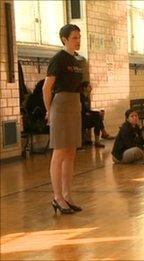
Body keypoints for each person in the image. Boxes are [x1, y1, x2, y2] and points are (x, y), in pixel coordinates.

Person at [43, 24, 84, 214]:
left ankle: (67, 195)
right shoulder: (58, 59)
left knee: (71, 152)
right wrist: (49, 110)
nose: (78, 40)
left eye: (79, 37)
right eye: (75, 37)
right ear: (64, 39)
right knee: (59, 152)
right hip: (60, 105)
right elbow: (46, 88)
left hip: (74, 104)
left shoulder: (78, 60)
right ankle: (57, 196)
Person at [80, 81, 113, 148]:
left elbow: (88, 111)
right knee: (97, 116)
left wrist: (98, 113)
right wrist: (97, 113)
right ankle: (102, 134)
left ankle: (98, 140)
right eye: (89, 86)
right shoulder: (80, 97)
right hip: (81, 119)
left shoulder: (87, 98)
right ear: (84, 88)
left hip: (87, 118)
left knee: (97, 118)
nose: (91, 88)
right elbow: (83, 111)